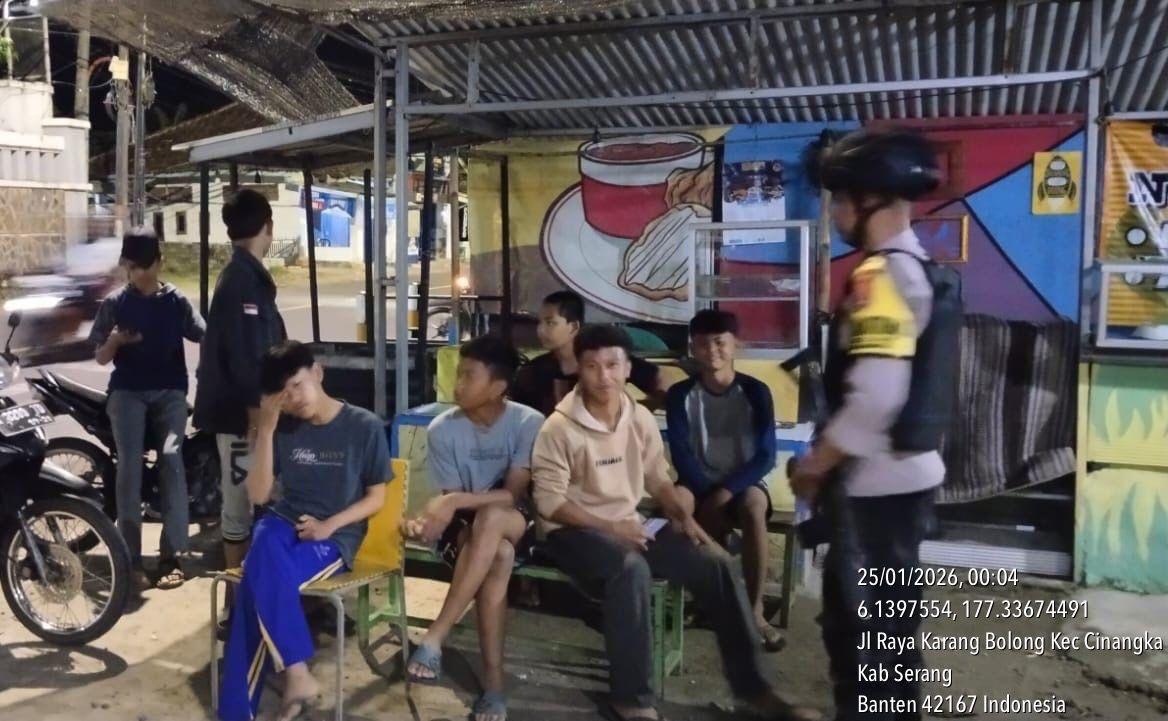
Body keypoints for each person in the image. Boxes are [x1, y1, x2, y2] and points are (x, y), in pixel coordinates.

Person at [532, 324, 819, 721]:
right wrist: (612, 528)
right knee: (630, 569)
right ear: (579, 369)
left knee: (716, 563)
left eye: (613, 365)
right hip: (569, 533)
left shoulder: (638, 418)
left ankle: (755, 690)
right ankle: (631, 700)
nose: (604, 376)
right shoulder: (559, 427)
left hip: (629, 525)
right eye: (592, 366)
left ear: (628, 369)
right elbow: (549, 502)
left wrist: (683, 517)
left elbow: (657, 478)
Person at [791, 129, 958, 721]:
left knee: (864, 643)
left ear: (868, 201)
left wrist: (816, 466)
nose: (836, 213)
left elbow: (875, 399)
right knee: (890, 639)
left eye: (840, 199)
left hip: (875, 490)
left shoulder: (880, 276)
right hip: (905, 483)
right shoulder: (919, 268)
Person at [218, 341, 390, 721]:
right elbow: (259, 495)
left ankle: (236, 713)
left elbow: (377, 497)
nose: (294, 399)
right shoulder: (283, 427)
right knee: (264, 543)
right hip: (283, 523)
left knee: (255, 582)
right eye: (283, 394)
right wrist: (265, 431)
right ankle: (297, 674)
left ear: (318, 372)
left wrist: (330, 525)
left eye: (297, 385)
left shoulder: (364, 425)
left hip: (333, 536)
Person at [403, 335, 544, 721]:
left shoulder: (529, 422)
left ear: (498, 387)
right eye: (459, 374)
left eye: (469, 376)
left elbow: (512, 494)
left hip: (515, 518)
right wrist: (448, 506)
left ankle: (436, 634)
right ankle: (494, 688)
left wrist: (450, 501)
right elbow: (457, 503)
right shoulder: (442, 429)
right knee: (497, 555)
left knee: (495, 518)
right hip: (469, 528)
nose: (458, 384)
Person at [90, 227, 205, 591]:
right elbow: (100, 356)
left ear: (159, 263)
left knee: (172, 461)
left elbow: (203, 333)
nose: (138, 273)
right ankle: (130, 561)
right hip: (127, 393)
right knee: (130, 467)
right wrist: (115, 340)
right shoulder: (115, 303)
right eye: (132, 267)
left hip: (170, 393)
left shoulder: (176, 301)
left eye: (144, 266)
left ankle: (173, 556)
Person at [665, 309, 783, 652]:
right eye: (702, 344)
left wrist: (725, 492)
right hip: (697, 481)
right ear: (693, 348)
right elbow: (681, 454)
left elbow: (766, 456)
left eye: (720, 342)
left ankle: (755, 611)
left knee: (754, 507)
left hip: (742, 482)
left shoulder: (755, 391)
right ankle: (695, 598)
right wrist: (708, 494)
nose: (712, 351)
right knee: (677, 505)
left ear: (735, 345)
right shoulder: (680, 394)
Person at [194, 188, 288, 603]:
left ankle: (252, 599)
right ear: (268, 226)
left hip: (248, 417)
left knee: (254, 507)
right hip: (243, 420)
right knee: (242, 511)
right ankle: (238, 605)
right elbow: (248, 358)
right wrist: (259, 421)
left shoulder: (243, 276)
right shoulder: (242, 281)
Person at [512, 290, 666, 417]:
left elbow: (661, 380)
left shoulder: (606, 361)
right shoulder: (533, 371)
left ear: (573, 327)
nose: (540, 330)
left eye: (550, 323)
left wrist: (641, 411)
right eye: (539, 322)